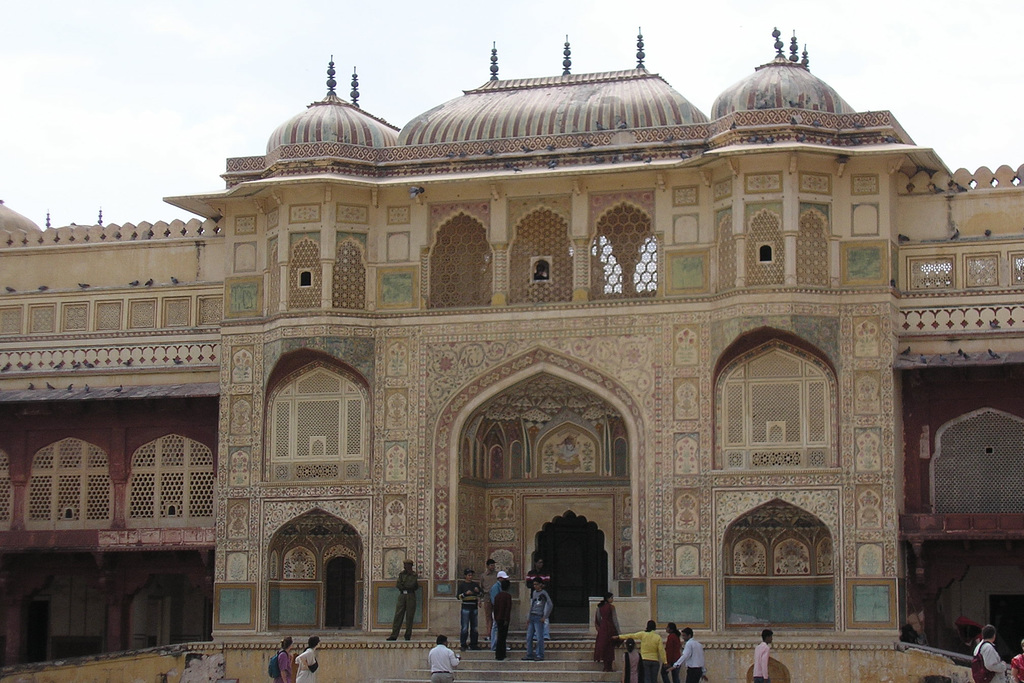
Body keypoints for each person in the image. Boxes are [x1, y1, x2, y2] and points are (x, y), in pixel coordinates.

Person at [387, 559, 419, 641]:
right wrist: (404, 586)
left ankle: (408, 635)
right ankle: (394, 634)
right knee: (398, 615)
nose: (405, 566)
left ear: (410, 566)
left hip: (410, 595)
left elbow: (411, 584)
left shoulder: (413, 575)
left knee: (409, 616)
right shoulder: (401, 574)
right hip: (402, 595)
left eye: (406, 565)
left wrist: (404, 585)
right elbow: (398, 584)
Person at [523, 578, 553, 661]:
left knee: (539, 637)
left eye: (536, 584)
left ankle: (539, 654)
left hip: (539, 616)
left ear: (540, 584)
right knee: (529, 637)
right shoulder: (534, 593)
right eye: (534, 584)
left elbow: (550, 604)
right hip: (532, 616)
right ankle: (529, 654)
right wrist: (529, 617)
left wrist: (545, 616)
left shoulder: (543, 593)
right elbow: (532, 605)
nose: (535, 586)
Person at [526, 558, 552, 640]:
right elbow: (528, 584)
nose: (541, 564)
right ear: (535, 563)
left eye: (542, 562)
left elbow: (548, 583)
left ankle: (545, 634)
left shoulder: (545, 573)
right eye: (539, 562)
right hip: (534, 597)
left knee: (545, 616)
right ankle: (535, 634)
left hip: (543, 598)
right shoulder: (531, 573)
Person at [594, 592, 620, 672]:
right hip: (610, 628)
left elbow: (597, 618)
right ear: (608, 598)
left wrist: (600, 628)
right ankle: (609, 667)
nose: (612, 599)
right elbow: (615, 620)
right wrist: (618, 632)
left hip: (603, 628)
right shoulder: (611, 607)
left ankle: (606, 667)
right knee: (610, 648)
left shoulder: (599, 607)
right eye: (611, 598)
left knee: (604, 647)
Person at [457, 568, 482, 650]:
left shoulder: (475, 585)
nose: (470, 577)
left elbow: (481, 594)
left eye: (471, 575)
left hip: (474, 608)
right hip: (465, 608)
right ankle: (463, 644)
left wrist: (478, 591)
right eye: (469, 575)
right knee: (464, 627)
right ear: (465, 576)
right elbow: (458, 596)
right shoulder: (462, 585)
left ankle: (474, 644)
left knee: (474, 627)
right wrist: (465, 594)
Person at [489, 570, 510, 650]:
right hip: (497, 611)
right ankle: (494, 645)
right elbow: (494, 601)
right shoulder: (495, 587)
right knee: (495, 627)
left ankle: (500, 645)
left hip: (500, 611)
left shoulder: (500, 586)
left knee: (500, 629)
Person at [493, 578, 513, 660]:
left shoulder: (497, 596)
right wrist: (506, 619)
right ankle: (501, 654)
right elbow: (508, 608)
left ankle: (499, 654)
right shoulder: (508, 596)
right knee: (503, 637)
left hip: (498, 618)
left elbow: (495, 608)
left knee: (499, 636)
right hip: (504, 619)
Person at [480, 558, 499, 642]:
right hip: (487, 596)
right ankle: (489, 633)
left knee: (497, 615)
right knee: (488, 616)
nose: (493, 567)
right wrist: (480, 599)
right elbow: (481, 587)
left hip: (496, 596)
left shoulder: (497, 575)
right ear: (487, 566)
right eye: (491, 565)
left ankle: (496, 634)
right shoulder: (483, 576)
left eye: (494, 565)